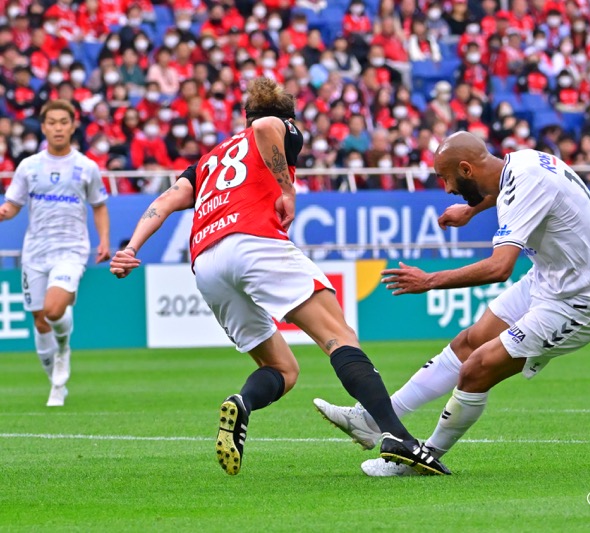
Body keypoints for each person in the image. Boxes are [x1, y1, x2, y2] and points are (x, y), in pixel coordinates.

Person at [108, 78, 450, 477]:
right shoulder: (278, 127)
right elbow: (265, 128)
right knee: (338, 336)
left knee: (284, 370)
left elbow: (165, 202)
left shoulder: (207, 161)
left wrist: (131, 247)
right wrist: (288, 188)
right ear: (289, 116)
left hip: (206, 262)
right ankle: (398, 438)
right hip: (253, 241)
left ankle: (243, 402)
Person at [314, 132, 590, 475]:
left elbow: (499, 267)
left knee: (476, 369)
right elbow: (509, 193)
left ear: (467, 169)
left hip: (577, 303)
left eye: (447, 178)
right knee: (468, 342)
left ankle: (422, 460)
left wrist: (429, 281)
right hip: (547, 280)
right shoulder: (520, 163)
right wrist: (471, 211)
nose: (447, 189)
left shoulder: (525, 181)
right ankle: (370, 419)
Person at [0, 99, 111, 407]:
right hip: (35, 251)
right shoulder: (29, 166)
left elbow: (99, 206)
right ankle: (56, 384)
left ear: (73, 125)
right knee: (39, 320)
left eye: (64, 122)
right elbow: (13, 205)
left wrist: (103, 241)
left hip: (71, 249)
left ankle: (63, 350)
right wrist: (4, 212)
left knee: (53, 309)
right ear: (44, 126)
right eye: (52, 122)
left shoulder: (86, 167)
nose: (58, 127)